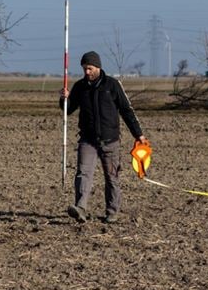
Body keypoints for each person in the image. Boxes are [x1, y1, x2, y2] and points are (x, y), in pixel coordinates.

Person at [59, 51, 146, 223]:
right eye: (84, 69)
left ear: (98, 67)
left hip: (110, 140)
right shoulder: (79, 87)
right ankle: (80, 208)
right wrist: (64, 99)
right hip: (87, 139)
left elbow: (127, 111)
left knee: (112, 177)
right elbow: (68, 111)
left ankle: (112, 211)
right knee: (83, 174)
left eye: (89, 68)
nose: (87, 72)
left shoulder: (113, 85)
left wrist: (139, 135)